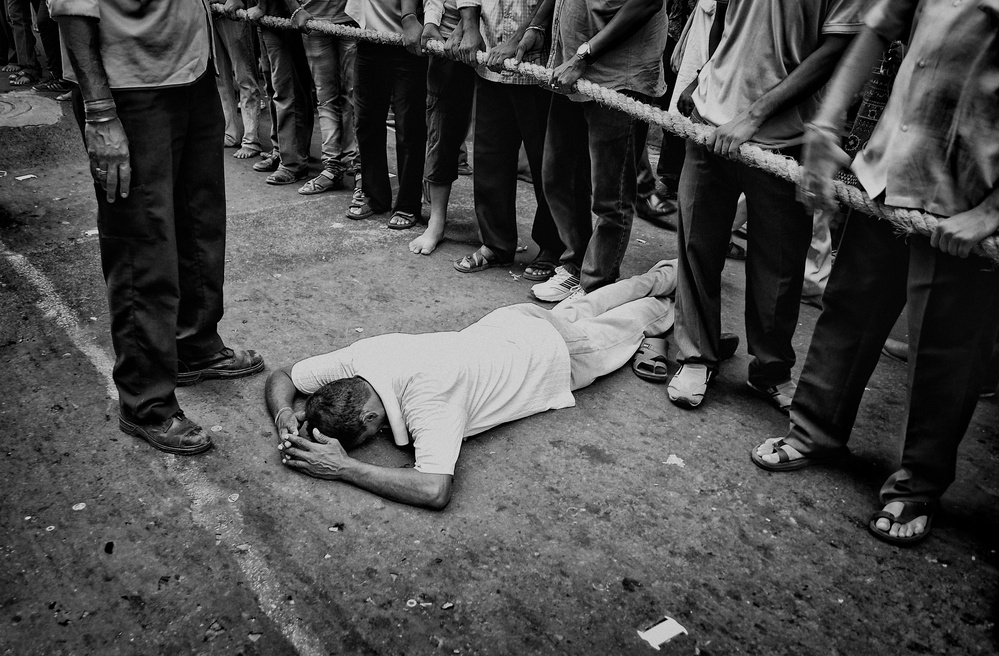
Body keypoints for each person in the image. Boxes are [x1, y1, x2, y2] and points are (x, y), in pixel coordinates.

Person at [752, 0, 999, 546]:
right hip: (889, 167)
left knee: (945, 354)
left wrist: (992, 212)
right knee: (849, 310)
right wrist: (825, 124)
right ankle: (815, 430)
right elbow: (876, 27)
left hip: (967, 189)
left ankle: (917, 485)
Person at [265, 261, 678, 509]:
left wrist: (344, 467)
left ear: (370, 417)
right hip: (513, 322)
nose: (376, 439)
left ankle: (684, 293)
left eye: (368, 436)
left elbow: (434, 489)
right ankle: (668, 272)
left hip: (556, 354)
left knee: (642, 318)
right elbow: (283, 376)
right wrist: (285, 412)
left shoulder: (428, 396)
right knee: (590, 304)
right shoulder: (361, 358)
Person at [51, 0, 265, 455]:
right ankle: (145, 400)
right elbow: (72, 11)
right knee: (141, 243)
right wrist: (100, 111)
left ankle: (194, 343)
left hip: (192, 75)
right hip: (129, 89)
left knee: (200, 223)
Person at [665, 0, 864, 412]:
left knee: (779, 265)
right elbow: (725, 16)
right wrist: (704, 75)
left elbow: (836, 49)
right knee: (697, 246)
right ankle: (697, 355)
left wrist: (753, 116)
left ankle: (770, 370)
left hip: (787, 135)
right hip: (710, 118)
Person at [523, 0, 667, 303]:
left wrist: (583, 55)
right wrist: (537, 26)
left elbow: (647, 3)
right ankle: (575, 263)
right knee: (557, 177)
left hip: (618, 76)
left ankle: (596, 284)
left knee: (611, 195)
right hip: (570, 70)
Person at [446, 0, 564, 276]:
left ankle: (553, 248)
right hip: (491, 58)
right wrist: (469, 25)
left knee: (548, 165)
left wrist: (520, 36)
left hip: (538, 67)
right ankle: (496, 244)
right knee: (490, 160)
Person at [346, 0, 428, 229]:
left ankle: (408, 203)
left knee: (409, 125)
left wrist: (409, 17)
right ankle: (374, 195)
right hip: (369, 38)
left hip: (407, 38)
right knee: (366, 121)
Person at [408, 0, 475, 253]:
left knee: (496, 138)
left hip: (498, 37)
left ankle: (496, 226)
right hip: (447, 39)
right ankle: (436, 222)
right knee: (440, 132)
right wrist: (431, 21)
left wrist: (469, 24)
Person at [292, 0, 362, 194]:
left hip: (352, 17)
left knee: (355, 98)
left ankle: (359, 167)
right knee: (326, 98)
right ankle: (332, 167)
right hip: (314, 16)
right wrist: (295, 9)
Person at [250, 0, 316, 185]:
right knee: (273, 86)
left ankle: (293, 161)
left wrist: (293, 9)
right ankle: (282, 150)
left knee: (287, 87)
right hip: (269, 13)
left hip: (283, 12)